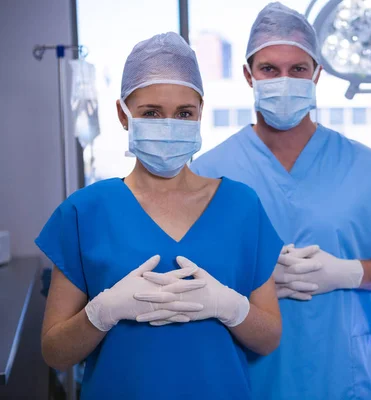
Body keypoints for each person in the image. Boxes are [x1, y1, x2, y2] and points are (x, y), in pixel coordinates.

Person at [189, 3, 371, 399]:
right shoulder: (207, 171)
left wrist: (349, 272)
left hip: (344, 376)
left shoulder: (364, 166)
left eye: (298, 69)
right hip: (247, 379)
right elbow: (184, 273)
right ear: (248, 75)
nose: (284, 79)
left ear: (317, 74)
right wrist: (251, 283)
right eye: (269, 69)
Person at [36, 32, 283, 400]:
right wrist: (102, 312)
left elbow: (268, 339)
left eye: (184, 113)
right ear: (123, 114)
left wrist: (231, 307)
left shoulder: (242, 206)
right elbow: (55, 353)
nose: (169, 125)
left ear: (200, 112)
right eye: (151, 113)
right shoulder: (85, 211)